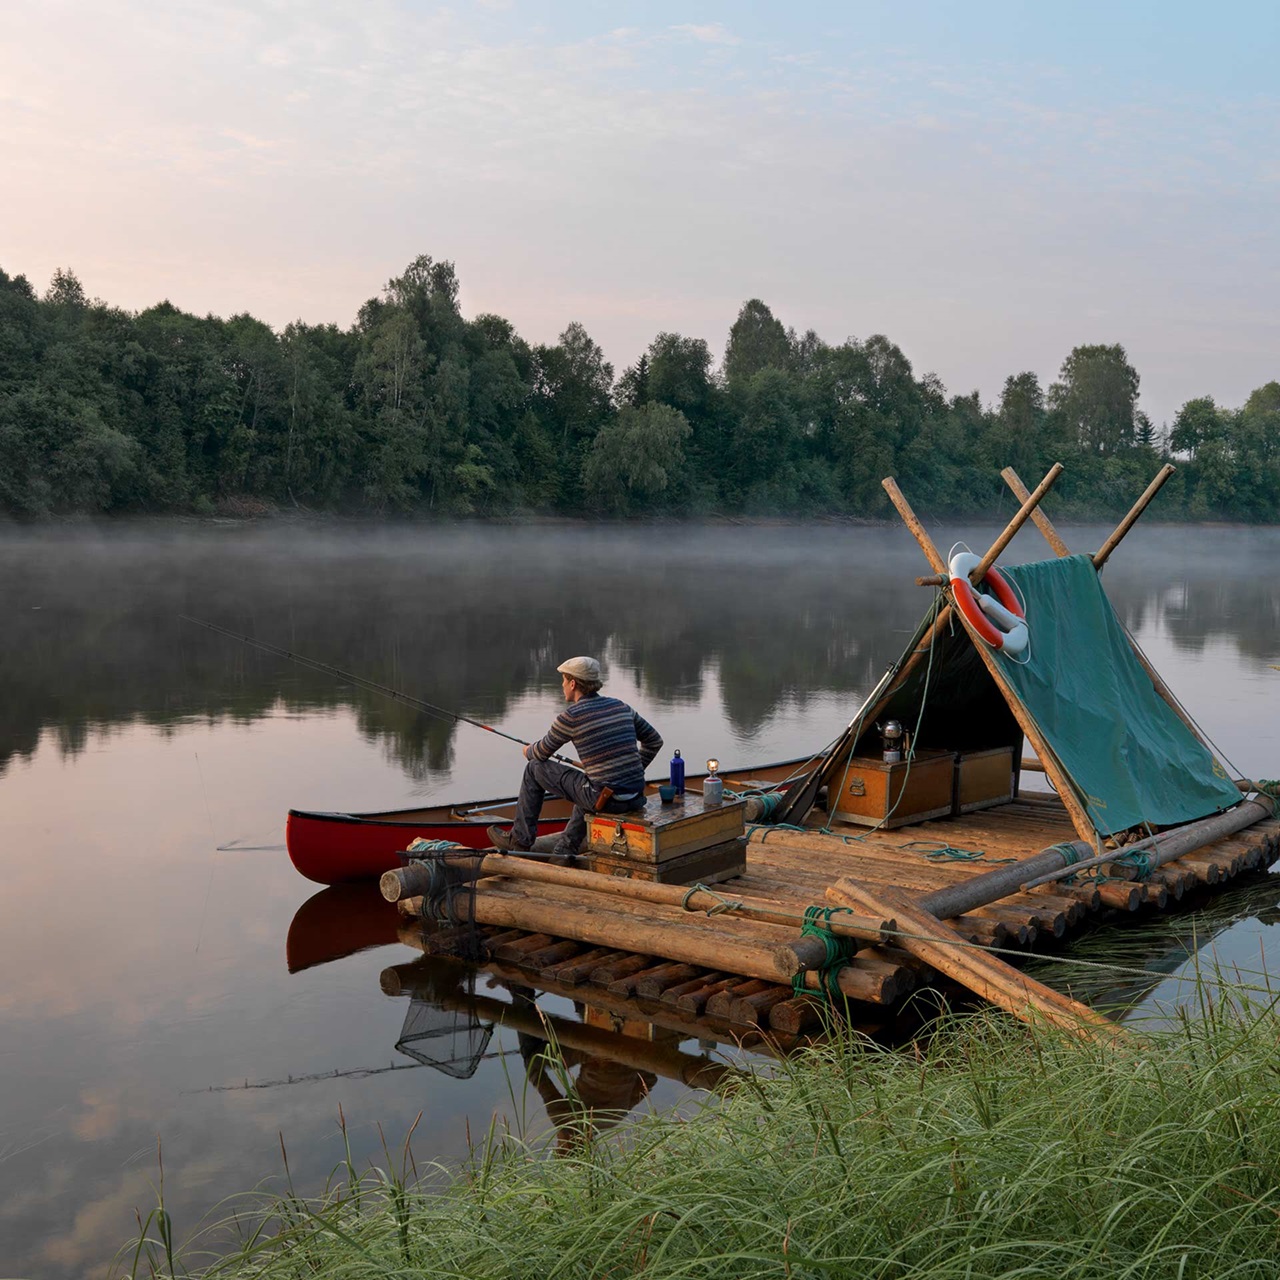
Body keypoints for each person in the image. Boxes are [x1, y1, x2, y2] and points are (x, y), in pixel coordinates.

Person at [488, 656, 662, 859]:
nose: (562, 686)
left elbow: (541, 753)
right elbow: (654, 741)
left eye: (563, 680)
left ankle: (519, 841)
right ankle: (564, 850)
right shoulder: (621, 707)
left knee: (534, 768)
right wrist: (633, 771)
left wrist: (527, 751)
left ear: (573, 683)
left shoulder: (571, 716)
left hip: (606, 799)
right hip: (635, 796)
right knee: (588, 783)